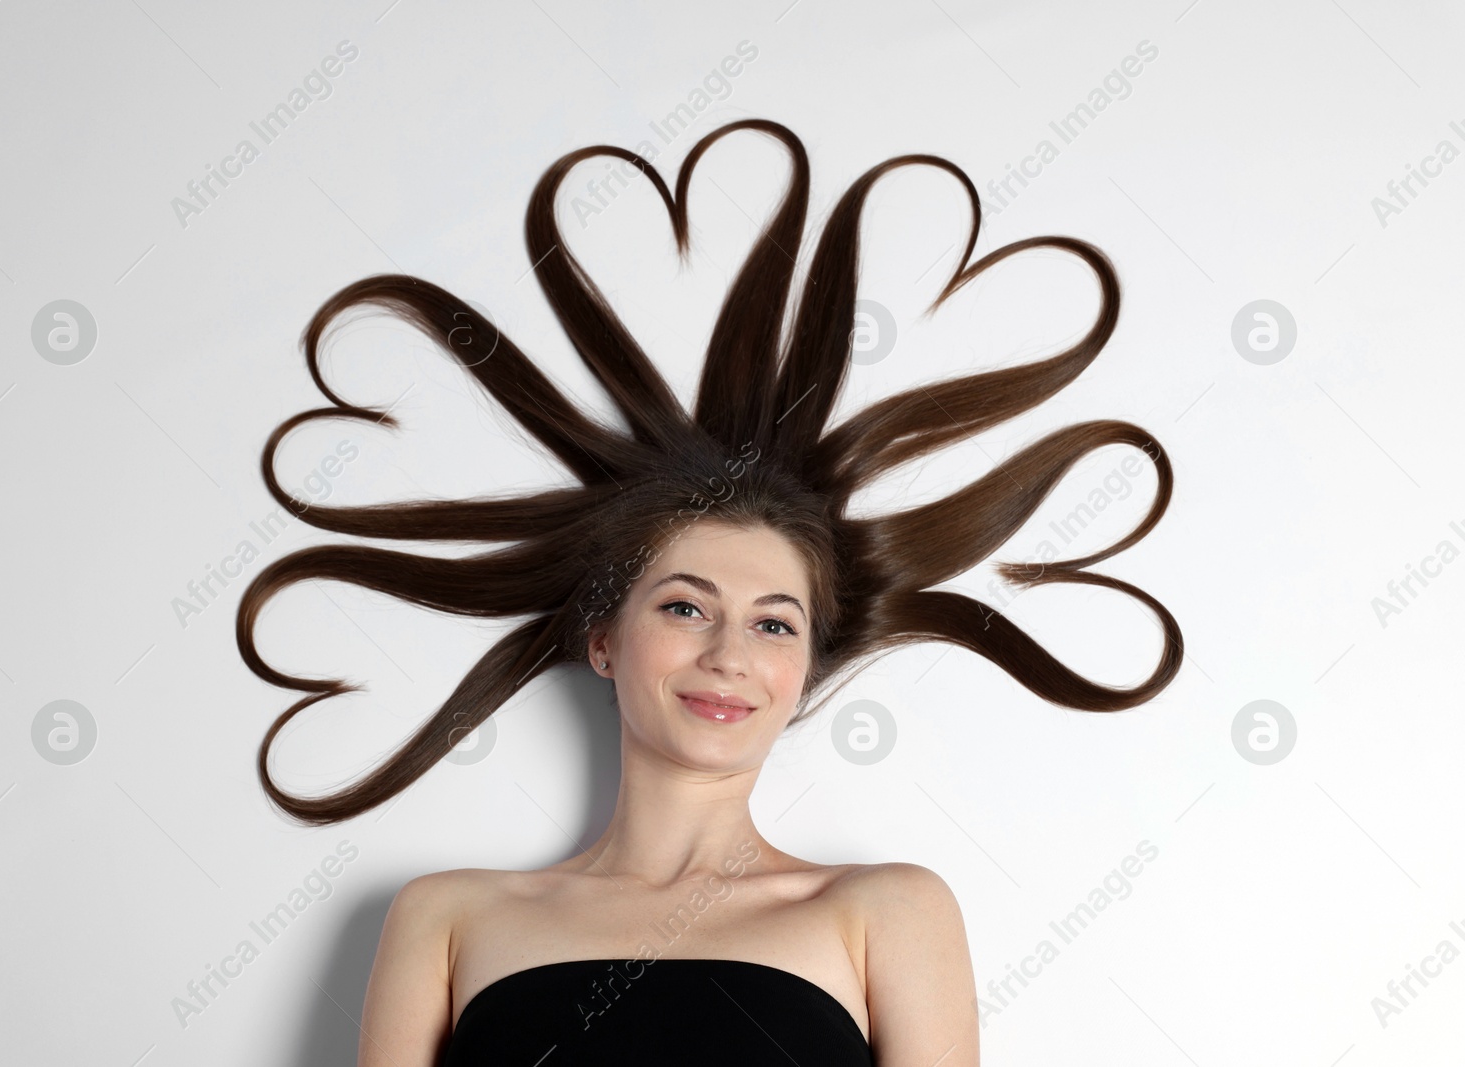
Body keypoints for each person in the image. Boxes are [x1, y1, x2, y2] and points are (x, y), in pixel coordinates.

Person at [235, 118, 1183, 1066]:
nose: (729, 654)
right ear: (603, 639)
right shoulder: (447, 916)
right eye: (685, 606)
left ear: (805, 669)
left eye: (775, 623)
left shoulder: (884, 910)